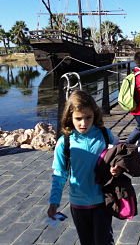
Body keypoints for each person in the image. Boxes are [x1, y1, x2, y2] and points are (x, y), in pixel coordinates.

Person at [47, 90, 119, 245]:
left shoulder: (105, 135)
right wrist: (54, 202)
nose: (84, 123)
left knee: (103, 241)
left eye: (88, 117)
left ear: (95, 114)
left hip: (103, 201)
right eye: (78, 118)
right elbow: (59, 175)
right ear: (69, 117)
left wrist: (116, 168)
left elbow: (119, 157)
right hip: (78, 204)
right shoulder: (64, 143)